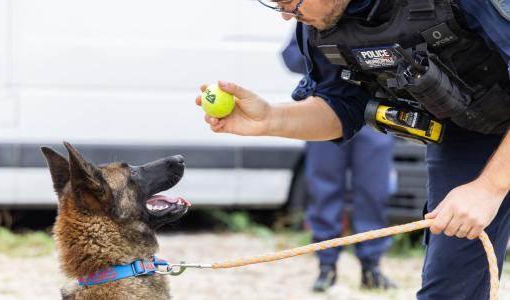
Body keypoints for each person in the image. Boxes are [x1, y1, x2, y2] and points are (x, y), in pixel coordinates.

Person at [195, 0, 510, 298]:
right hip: (474, 130)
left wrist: (488, 188)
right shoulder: (322, 24)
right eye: (277, 4)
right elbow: (343, 106)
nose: (287, 15)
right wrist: (270, 119)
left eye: (291, 1)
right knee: (450, 289)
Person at [282, 32, 397, 291]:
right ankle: (326, 268)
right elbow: (289, 56)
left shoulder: (374, 11)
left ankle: (372, 268)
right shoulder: (315, 13)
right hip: (324, 109)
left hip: (373, 113)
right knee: (323, 188)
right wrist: (323, 65)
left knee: (373, 190)